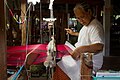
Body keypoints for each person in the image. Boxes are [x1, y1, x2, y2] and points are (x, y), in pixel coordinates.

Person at [52, 2, 104, 80]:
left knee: (62, 66)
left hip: (89, 62)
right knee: (61, 62)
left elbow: (99, 46)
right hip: (81, 59)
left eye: (82, 17)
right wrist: (74, 33)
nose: (80, 20)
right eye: (78, 18)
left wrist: (79, 50)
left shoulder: (95, 26)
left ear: (89, 12)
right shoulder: (87, 26)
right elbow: (87, 36)